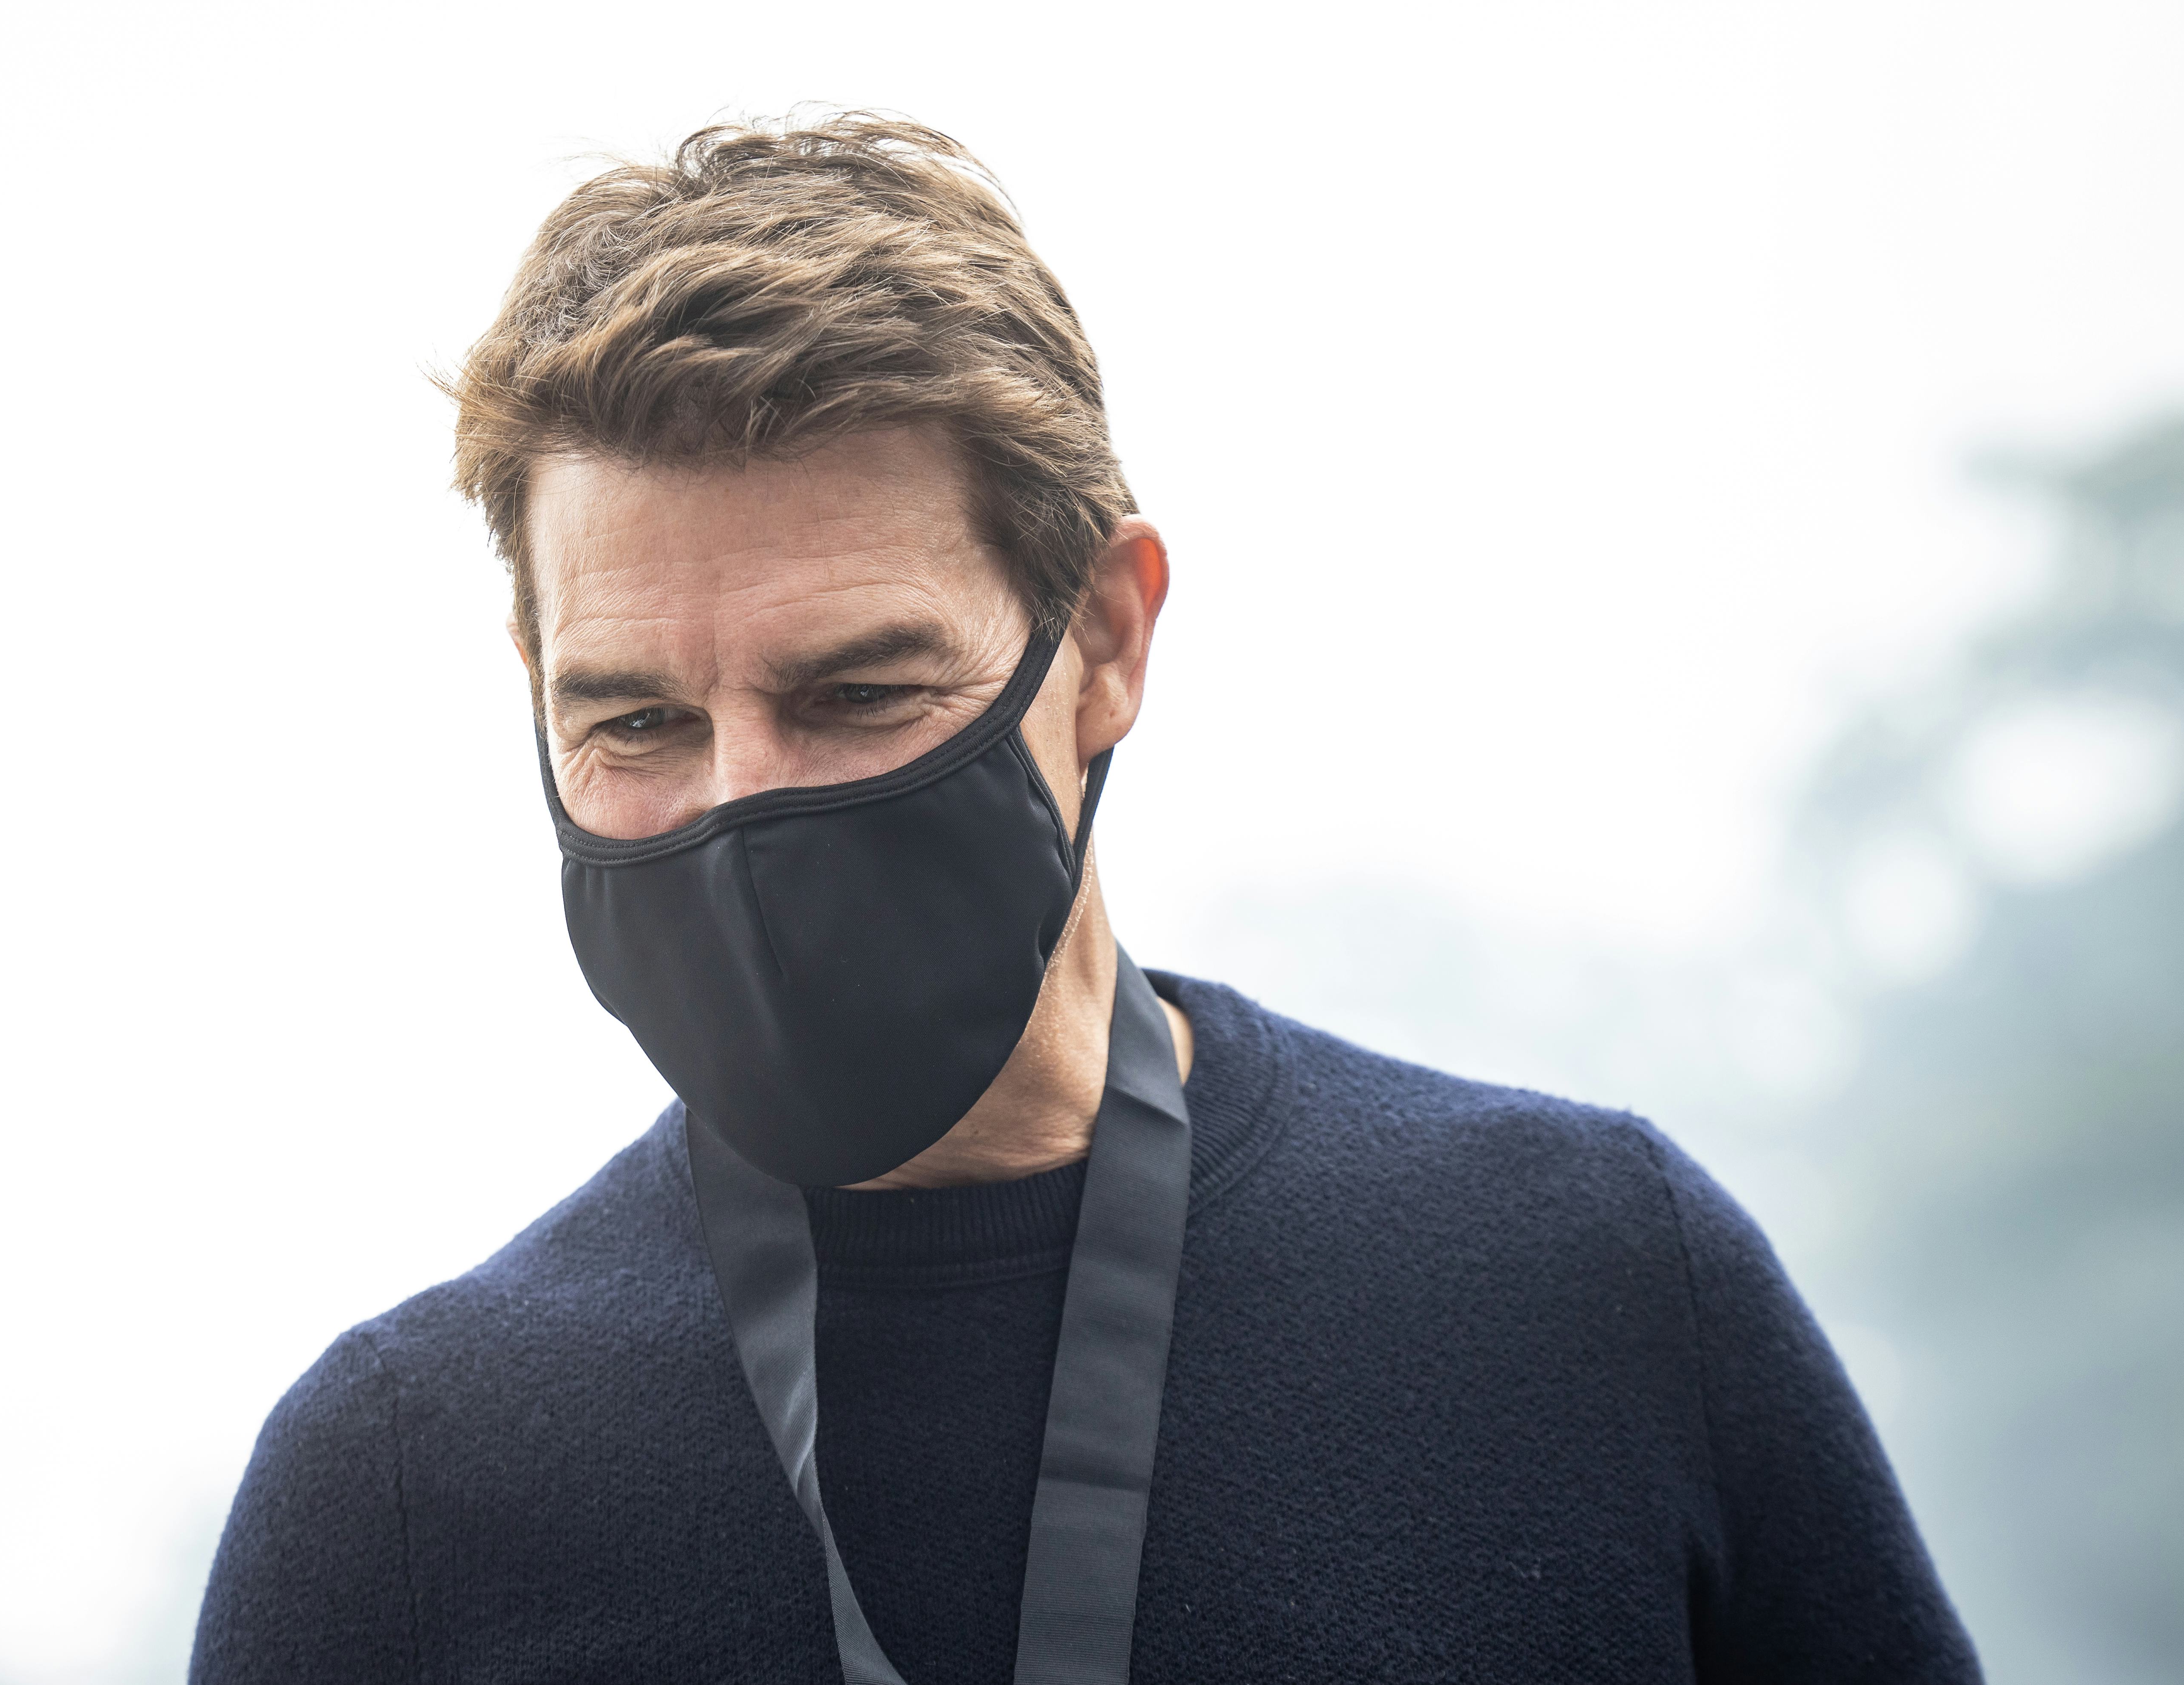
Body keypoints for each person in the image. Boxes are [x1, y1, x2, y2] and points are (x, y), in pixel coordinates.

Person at [189, 114, 1980, 1685]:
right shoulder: (400, 1488)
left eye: (856, 693)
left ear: (1105, 639)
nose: (739, 807)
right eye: (636, 720)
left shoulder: (1595, 1287)